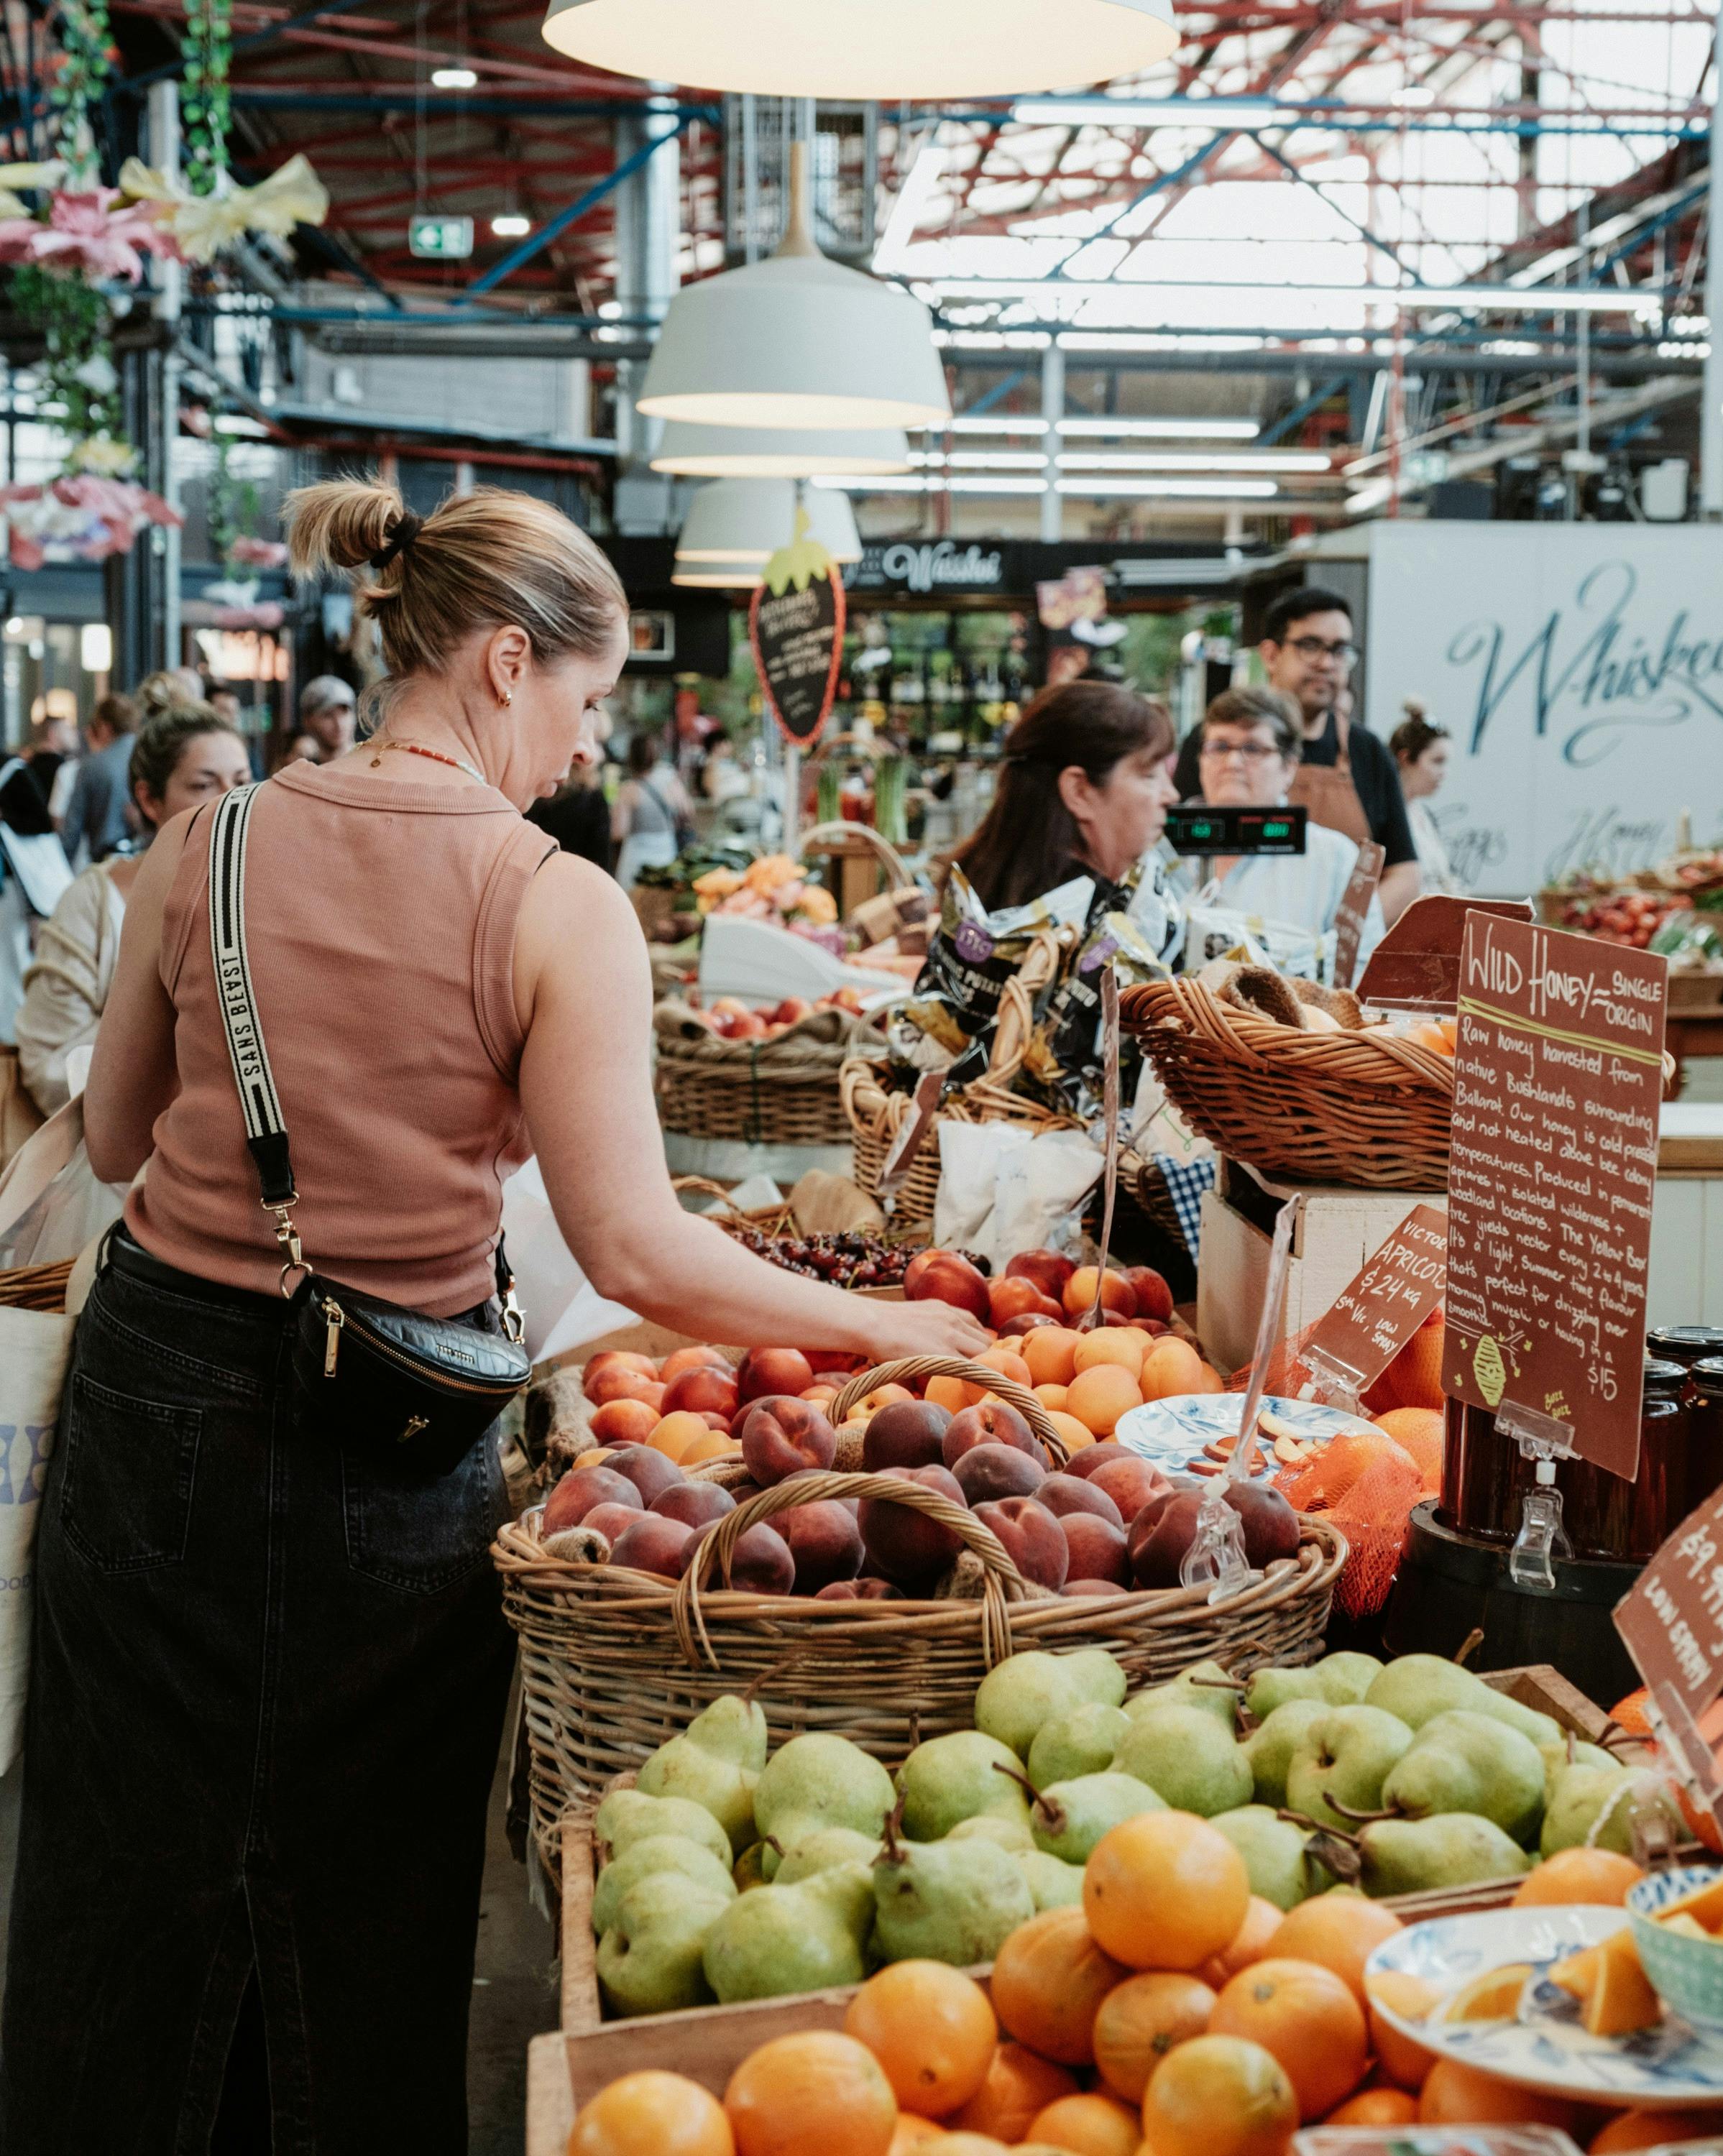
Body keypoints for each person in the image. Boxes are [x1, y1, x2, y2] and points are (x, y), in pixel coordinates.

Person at [0, 477, 986, 2155]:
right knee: (360, 1880)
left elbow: (106, 1139)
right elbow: (639, 1245)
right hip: (388, 1417)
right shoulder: (555, 902)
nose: (584, 748)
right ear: (505, 662)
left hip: (154, 1387)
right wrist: (900, 1324)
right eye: (587, 705)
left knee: (123, 1856)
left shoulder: (200, 840)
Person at [15, 706, 251, 1114]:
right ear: (147, 798)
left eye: (244, 782)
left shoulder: (266, 891)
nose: (230, 799)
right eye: (203, 785)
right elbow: (50, 1063)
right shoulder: (94, 901)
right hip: (123, 1160)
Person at [1172, 586, 1419, 925]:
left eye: (1339, 650)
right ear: (1271, 655)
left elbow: (1405, 874)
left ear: (1288, 765)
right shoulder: (1210, 739)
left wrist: (1341, 930)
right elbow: (1181, 847)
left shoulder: (1368, 751)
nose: (1326, 663)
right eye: (1310, 646)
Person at [949, 678, 1181, 921]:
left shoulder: (975, 893)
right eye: (1149, 775)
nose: (1171, 795)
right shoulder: (1090, 935)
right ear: (1079, 791)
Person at [1191, 685, 1384, 970]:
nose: (1232, 762)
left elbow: (1364, 970)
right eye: (1219, 747)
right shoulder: (1167, 848)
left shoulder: (1334, 859)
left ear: (1289, 768)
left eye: (1252, 748)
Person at [55, 691, 138, 865]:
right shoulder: (150, 754)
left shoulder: (93, 766)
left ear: (104, 727)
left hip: (107, 864)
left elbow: (71, 835)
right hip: (148, 860)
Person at [1391, 701, 1458, 895]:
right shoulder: (1386, 815)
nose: (1444, 773)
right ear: (1405, 758)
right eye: (1437, 761)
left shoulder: (1422, 814)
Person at [612, 731, 691, 890]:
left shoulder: (628, 790)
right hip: (667, 850)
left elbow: (618, 832)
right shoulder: (670, 781)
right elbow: (688, 811)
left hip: (637, 859)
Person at [525, 760, 613, 870]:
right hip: (582, 880)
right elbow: (602, 859)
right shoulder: (593, 801)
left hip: (539, 880)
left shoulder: (534, 800)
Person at [285, 673, 359, 765]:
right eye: (328, 715)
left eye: (344, 713)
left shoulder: (369, 760)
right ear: (308, 720)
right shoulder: (301, 762)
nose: (339, 724)